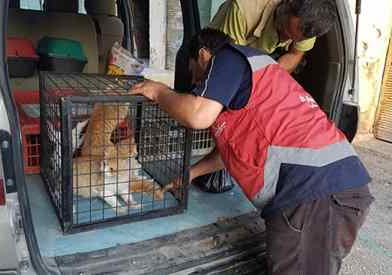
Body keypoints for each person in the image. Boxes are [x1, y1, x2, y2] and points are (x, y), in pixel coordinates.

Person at [131, 28, 374, 275]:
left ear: (203, 55)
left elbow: (196, 115)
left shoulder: (228, 58)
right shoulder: (244, 82)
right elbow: (232, 152)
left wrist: (159, 92)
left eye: (194, 72)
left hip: (316, 195)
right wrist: (191, 173)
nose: (196, 83)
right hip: (323, 193)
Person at [209, 0, 337, 72]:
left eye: (294, 39)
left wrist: (272, 78)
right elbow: (231, 63)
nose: (287, 40)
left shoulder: (311, 23)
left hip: (255, 55)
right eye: (285, 31)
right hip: (215, 52)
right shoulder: (244, 8)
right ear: (287, 4)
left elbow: (295, 54)